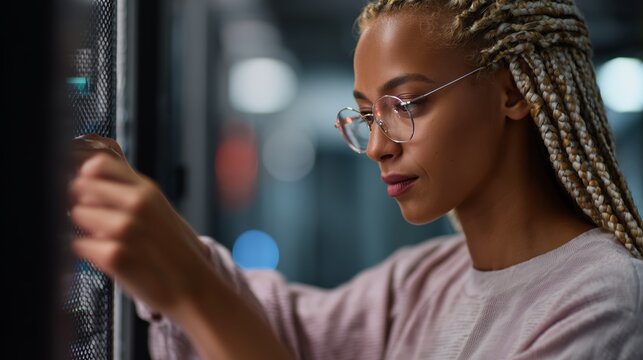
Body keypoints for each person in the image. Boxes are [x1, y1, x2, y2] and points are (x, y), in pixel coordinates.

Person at [68, 0, 643, 359]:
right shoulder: (421, 281)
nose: (376, 145)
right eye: (368, 114)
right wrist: (153, 233)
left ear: (513, 90)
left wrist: (189, 286)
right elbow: (279, 326)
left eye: (406, 103)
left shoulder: (603, 299)